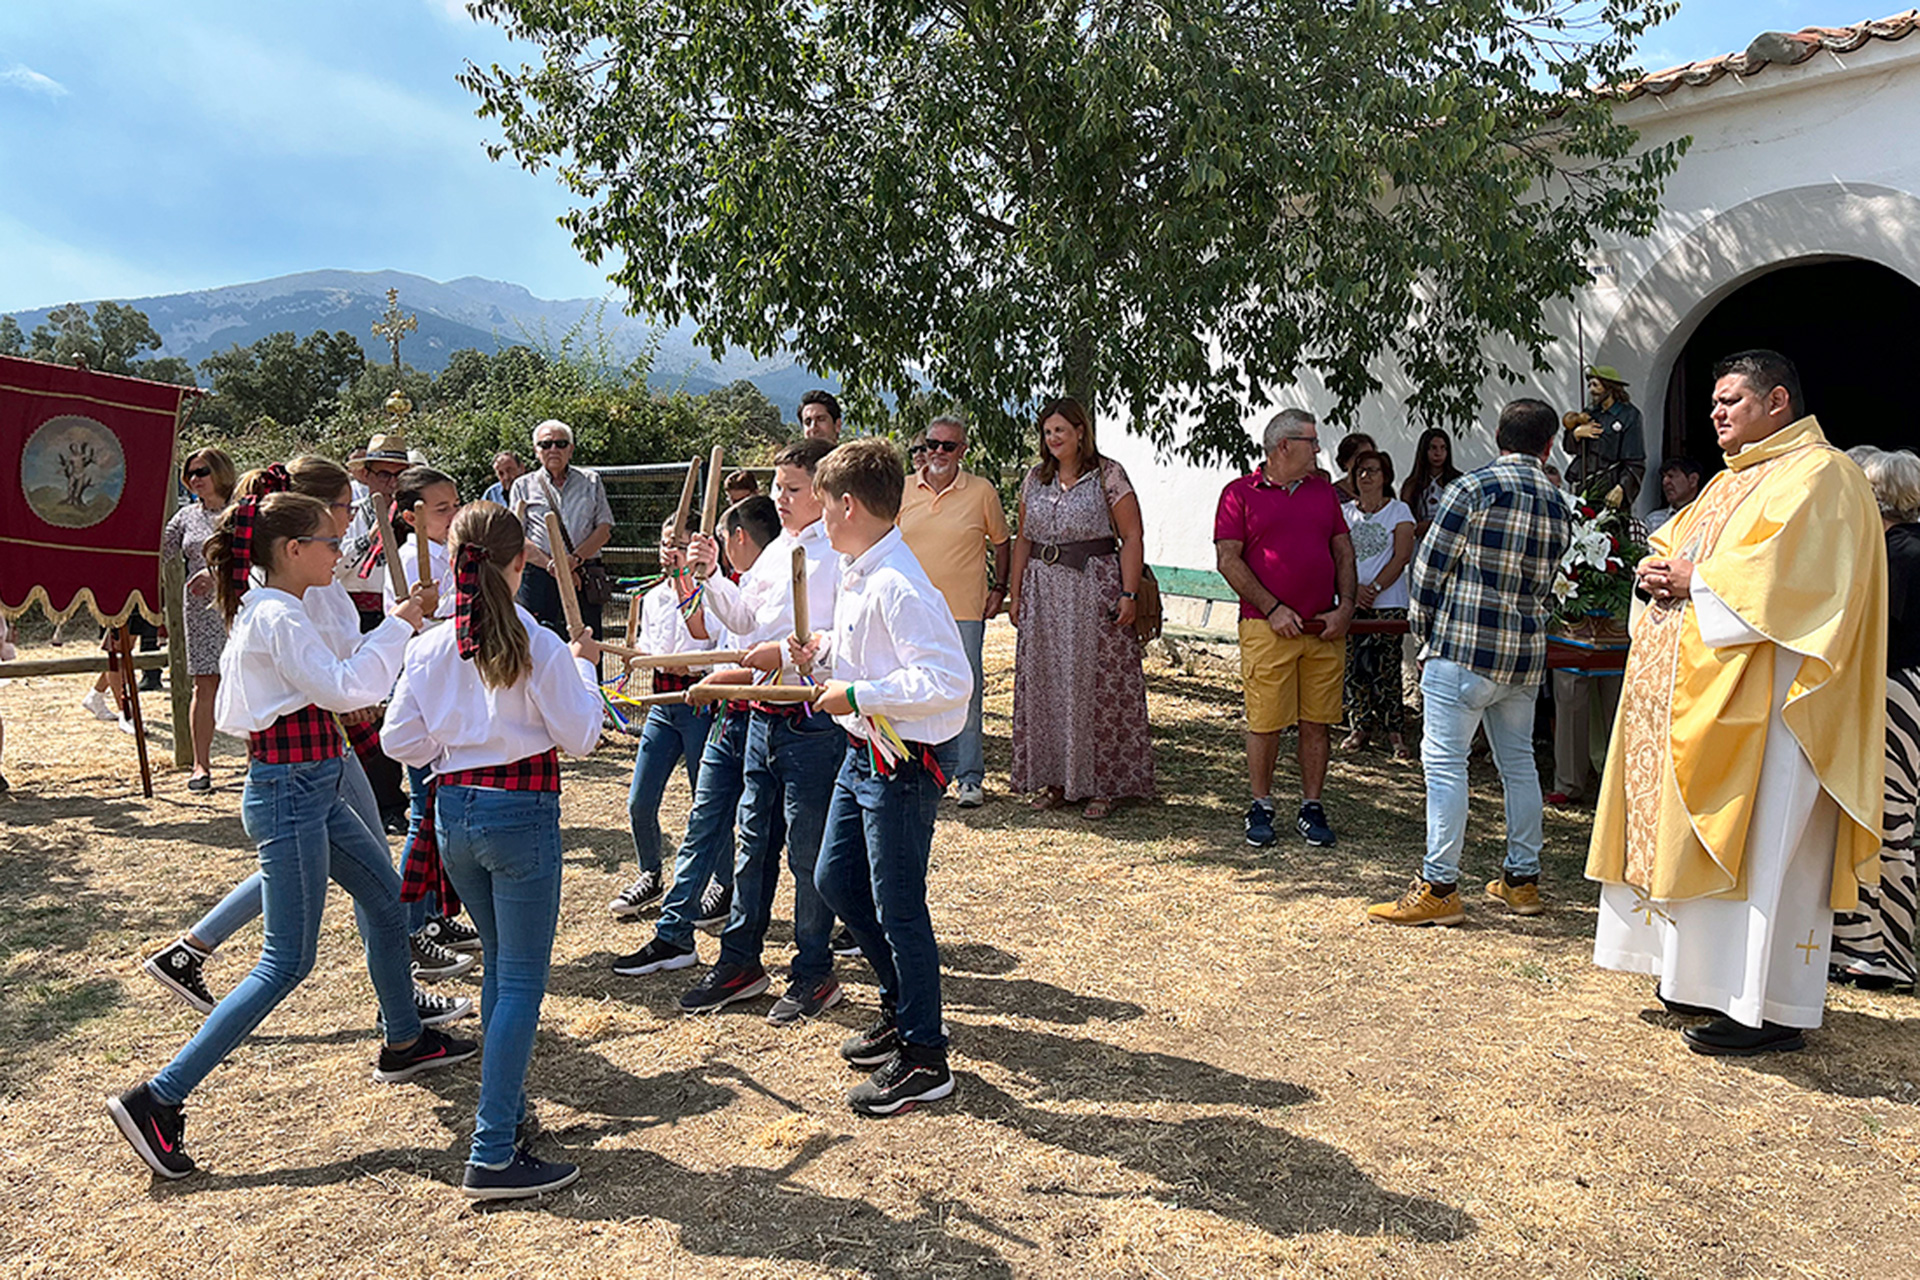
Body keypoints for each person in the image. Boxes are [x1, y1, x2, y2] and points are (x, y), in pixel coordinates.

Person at [107, 491, 473, 1181]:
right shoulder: (276, 614)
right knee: (286, 963)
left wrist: (396, 626)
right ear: (292, 550)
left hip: (310, 787)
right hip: (290, 797)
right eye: (328, 541)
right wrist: (398, 625)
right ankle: (158, 1097)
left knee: (389, 905)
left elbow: (338, 676)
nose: (340, 549)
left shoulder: (280, 608)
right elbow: (344, 687)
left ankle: (404, 1039)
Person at [1587, 350, 1888, 1056]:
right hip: (1703, 696)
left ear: (1777, 401)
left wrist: (1699, 580)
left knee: (1764, 846)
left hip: (1779, 709)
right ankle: (1696, 980)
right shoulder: (1732, 483)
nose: (1716, 414)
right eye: (1715, 402)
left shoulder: (1823, 476)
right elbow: (1675, 546)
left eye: (1731, 401)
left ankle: (1767, 1005)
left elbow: (1801, 580)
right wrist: (1657, 573)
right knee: (1697, 834)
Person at [142, 457, 474, 1030]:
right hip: (315, 741)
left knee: (346, 874)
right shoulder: (295, 596)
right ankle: (399, 999)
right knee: (329, 917)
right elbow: (336, 677)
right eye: (343, 509)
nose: (348, 522)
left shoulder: (295, 580)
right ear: (308, 527)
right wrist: (397, 629)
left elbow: (341, 663)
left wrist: (396, 627)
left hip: (321, 738)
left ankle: (196, 947)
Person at [383, 501, 605, 1200]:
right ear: (519, 565)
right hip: (521, 812)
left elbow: (397, 741)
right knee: (519, 982)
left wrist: (449, 746)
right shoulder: (537, 642)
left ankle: (503, 1117)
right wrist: (587, 670)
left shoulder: (429, 646)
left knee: (501, 966)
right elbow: (583, 736)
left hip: (455, 813)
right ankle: (492, 1150)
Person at [798, 438, 971, 1115]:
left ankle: (926, 1057)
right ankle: (903, 1008)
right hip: (863, 751)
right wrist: (824, 655)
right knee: (834, 880)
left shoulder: (898, 581)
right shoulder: (860, 569)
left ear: (847, 505)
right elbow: (867, 651)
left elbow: (947, 680)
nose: (818, 518)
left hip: (901, 762)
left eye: (822, 505)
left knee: (900, 907)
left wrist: (861, 693)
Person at [1369, 399, 1572, 926]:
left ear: (1498, 436)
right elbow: (1548, 584)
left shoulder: (1472, 488)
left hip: (1462, 647)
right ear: (1548, 445)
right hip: (1523, 654)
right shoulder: (1557, 501)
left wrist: (1426, 635)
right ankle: (1521, 881)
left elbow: (1430, 568)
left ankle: (1439, 886)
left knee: (1444, 767)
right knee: (1519, 766)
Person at [678, 438, 846, 1021]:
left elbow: (839, 641)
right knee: (753, 847)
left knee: (806, 852)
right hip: (759, 718)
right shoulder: (776, 551)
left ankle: (814, 971)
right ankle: (741, 960)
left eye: (792, 488)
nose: (779, 497)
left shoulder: (839, 556)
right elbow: (745, 618)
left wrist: (790, 652)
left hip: (810, 723)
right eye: (777, 487)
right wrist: (711, 577)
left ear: (823, 492)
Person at [610, 496, 780, 977]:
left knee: (759, 838)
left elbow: (735, 650)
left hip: (743, 712)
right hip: (716, 709)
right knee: (700, 820)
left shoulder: (760, 585)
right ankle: (675, 932)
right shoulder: (709, 587)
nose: (676, 552)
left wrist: (710, 682)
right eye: (668, 545)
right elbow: (713, 634)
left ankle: (781, 943)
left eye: (690, 544)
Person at [1214, 409, 1355, 848]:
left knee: (1318, 721)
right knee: (1266, 720)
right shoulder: (1239, 493)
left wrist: (1346, 607)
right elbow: (1228, 560)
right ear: (1284, 446)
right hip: (1266, 627)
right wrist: (1272, 607)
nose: (1318, 450)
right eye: (1311, 442)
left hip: (1322, 628)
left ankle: (1312, 806)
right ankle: (1261, 803)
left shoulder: (1324, 494)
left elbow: (1344, 552)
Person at [1007, 397, 1153, 819]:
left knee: (1098, 687)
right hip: (1044, 592)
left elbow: (1132, 535)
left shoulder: (1109, 475)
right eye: (1048, 432)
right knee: (1048, 684)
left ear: (1080, 432)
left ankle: (1103, 785)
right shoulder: (1035, 479)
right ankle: (1055, 780)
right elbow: (1024, 539)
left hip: (1094, 589)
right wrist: (1017, 595)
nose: (1053, 439)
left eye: (1061, 431)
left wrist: (1128, 593)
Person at [1827, 449, 1920, 988]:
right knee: (1874, 818)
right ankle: (1861, 944)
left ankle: (1888, 954)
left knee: (1887, 822)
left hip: (1895, 692)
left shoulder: (1898, 553)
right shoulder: (1894, 548)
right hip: (1892, 689)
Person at [383, 466, 483, 959]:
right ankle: (410, 927)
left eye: (455, 504)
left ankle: (437, 917)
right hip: (426, 700)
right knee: (424, 813)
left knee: (441, 813)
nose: (454, 514)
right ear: (410, 517)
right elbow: (411, 633)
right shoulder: (405, 562)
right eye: (441, 509)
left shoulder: (457, 556)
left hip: (456, 695)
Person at [607, 518, 721, 917]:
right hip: (662, 704)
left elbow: (710, 646)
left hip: (697, 706)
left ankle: (721, 884)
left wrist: (695, 668)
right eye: (663, 542)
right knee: (640, 800)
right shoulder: (652, 598)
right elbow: (651, 651)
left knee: (705, 801)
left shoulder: (711, 595)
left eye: (678, 543)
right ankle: (650, 875)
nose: (667, 549)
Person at [897, 414, 1012, 809]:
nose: (938, 452)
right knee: (910, 687)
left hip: (964, 609)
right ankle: (917, 771)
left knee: (967, 691)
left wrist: (1000, 587)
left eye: (948, 446)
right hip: (910, 609)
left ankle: (969, 777)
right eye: (932, 444)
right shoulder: (902, 489)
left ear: (963, 451)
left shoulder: (982, 492)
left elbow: (1002, 541)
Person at [162, 447, 238, 791]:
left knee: (245, 679)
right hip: (199, 610)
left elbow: (259, 557)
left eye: (202, 471)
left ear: (220, 471)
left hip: (240, 603)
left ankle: (256, 760)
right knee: (204, 684)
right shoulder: (185, 517)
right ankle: (200, 765)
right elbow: (159, 550)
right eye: (190, 473)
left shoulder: (242, 510)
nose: (195, 479)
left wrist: (218, 574)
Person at [1339, 448, 1415, 759]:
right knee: (1355, 665)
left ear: (1386, 477)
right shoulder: (1345, 513)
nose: (1366, 476)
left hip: (1388, 601)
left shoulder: (1399, 511)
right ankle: (1360, 726)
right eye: (1361, 471)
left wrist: (1375, 587)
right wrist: (1353, 591)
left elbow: (1402, 555)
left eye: (1373, 470)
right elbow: (1338, 555)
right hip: (1350, 600)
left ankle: (1394, 730)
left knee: (1386, 667)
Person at [509, 419, 615, 641]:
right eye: (546, 445)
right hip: (539, 576)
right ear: (536, 451)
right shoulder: (522, 485)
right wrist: (553, 565)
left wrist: (573, 561)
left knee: (587, 641)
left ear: (571, 449)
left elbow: (604, 528)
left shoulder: (591, 481)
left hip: (584, 574)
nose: (553, 449)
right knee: (539, 642)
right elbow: (517, 536)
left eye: (561, 443)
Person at [1563, 365, 1647, 504]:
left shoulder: (1629, 415)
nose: (1591, 390)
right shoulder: (1589, 413)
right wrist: (1576, 434)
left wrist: (1622, 488)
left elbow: (1635, 460)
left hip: (1609, 485)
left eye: (1596, 385)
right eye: (1589, 385)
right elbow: (1569, 447)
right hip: (1583, 483)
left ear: (1609, 387)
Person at [1399, 427, 1463, 537]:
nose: (1438, 453)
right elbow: (1406, 522)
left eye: (1443, 448)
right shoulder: (1412, 484)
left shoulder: (1457, 481)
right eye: (1433, 448)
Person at [1643, 456, 1703, 534]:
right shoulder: (1653, 520)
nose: (1665, 482)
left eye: (1671, 476)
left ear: (1693, 480)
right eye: (1663, 477)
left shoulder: (1707, 517)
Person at [1331, 432, 1377, 503]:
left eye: (1370, 456)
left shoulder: (1380, 491)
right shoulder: (1332, 495)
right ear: (1345, 461)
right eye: (1359, 457)